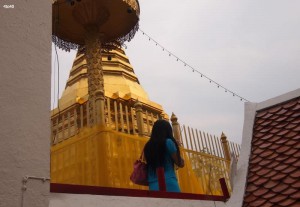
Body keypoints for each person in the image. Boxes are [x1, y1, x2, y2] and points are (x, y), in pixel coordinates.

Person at [144, 119, 185, 192]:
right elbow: (180, 163)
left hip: (153, 185)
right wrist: (177, 147)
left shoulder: (148, 146)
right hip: (169, 183)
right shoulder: (168, 142)